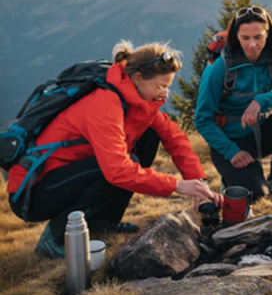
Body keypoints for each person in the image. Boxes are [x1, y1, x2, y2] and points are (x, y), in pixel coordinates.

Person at [7, 41, 223, 259]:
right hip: (33, 191)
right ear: (138, 78)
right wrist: (177, 185)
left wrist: (199, 182)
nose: (165, 94)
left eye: (168, 86)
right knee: (116, 167)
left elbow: (174, 137)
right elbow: (117, 170)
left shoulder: (137, 99)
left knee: (148, 137)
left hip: (68, 176)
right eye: (160, 86)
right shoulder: (104, 104)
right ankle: (54, 238)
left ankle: (102, 220)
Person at [195, 5, 272, 202]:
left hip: (261, 134)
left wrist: (261, 100)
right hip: (230, 142)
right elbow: (202, 120)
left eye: (258, 37)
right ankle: (231, 180)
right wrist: (232, 152)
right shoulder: (219, 69)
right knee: (254, 196)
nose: (253, 45)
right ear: (236, 37)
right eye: (245, 38)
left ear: (268, 35)